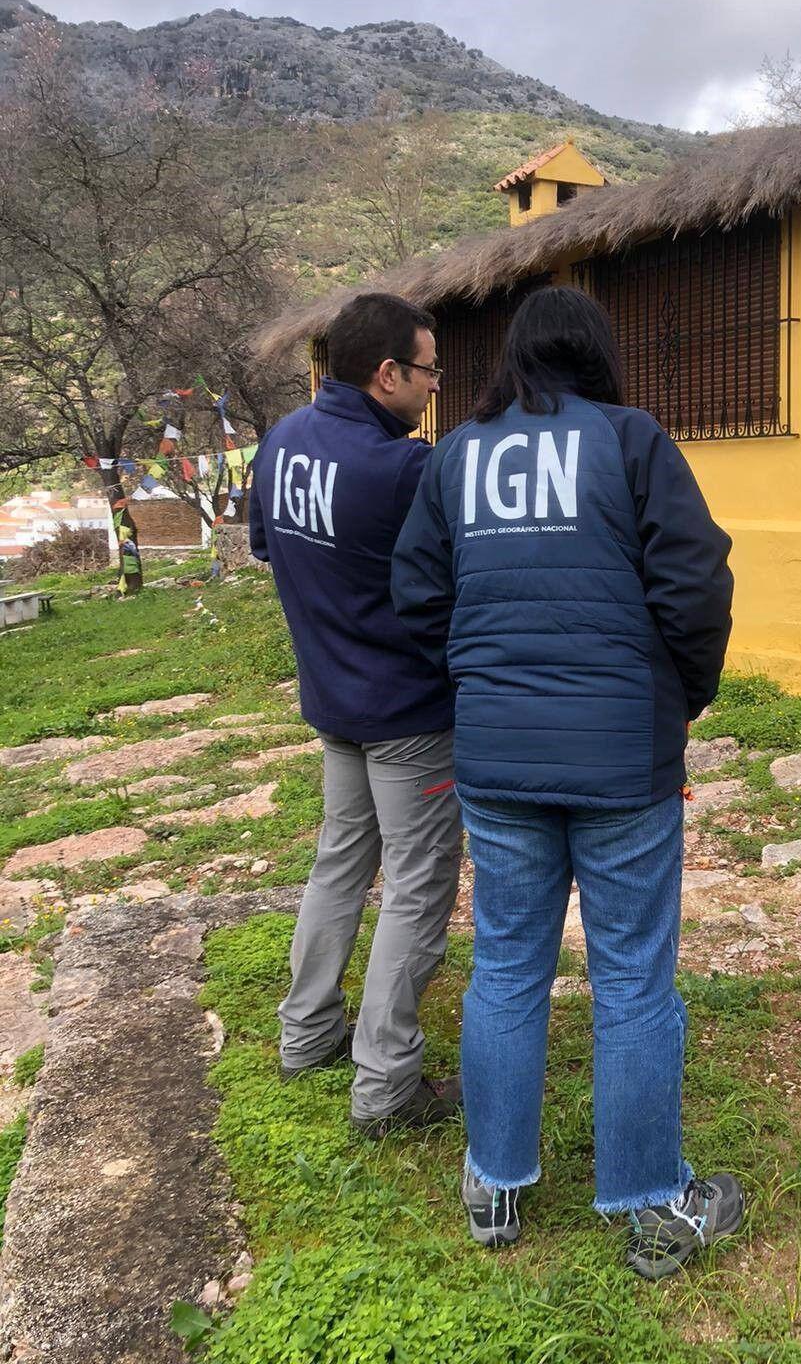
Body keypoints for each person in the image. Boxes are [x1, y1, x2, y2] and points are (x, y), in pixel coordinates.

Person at [391, 285, 744, 1279]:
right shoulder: (632, 441)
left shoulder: (455, 455)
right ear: (596, 355)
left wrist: (477, 676)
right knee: (633, 974)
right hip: (624, 754)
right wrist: (683, 695)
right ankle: (651, 1206)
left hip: (498, 756)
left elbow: (417, 595)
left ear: (513, 357)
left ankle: (494, 1184)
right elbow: (695, 584)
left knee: (506, 964)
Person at [248, 291, 463, 1137]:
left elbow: (272, 551)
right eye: (428, 369)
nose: (434, 385)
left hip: (333, 699)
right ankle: (386, 1085)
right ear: (387, 375)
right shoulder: (404, 470)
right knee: (416, 888)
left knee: (340, 863)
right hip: (409, 714)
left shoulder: (282, 442)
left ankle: (306, 1033)